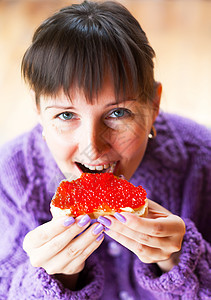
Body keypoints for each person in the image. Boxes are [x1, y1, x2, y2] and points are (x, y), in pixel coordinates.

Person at [0, 1, 210, 299]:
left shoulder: (203, 158)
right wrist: (50, 283)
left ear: (153, 106)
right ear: (38, 113)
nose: (92, 146)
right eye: (66, 115)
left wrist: (181, 264)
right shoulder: (9, 179)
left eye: (118, 113)